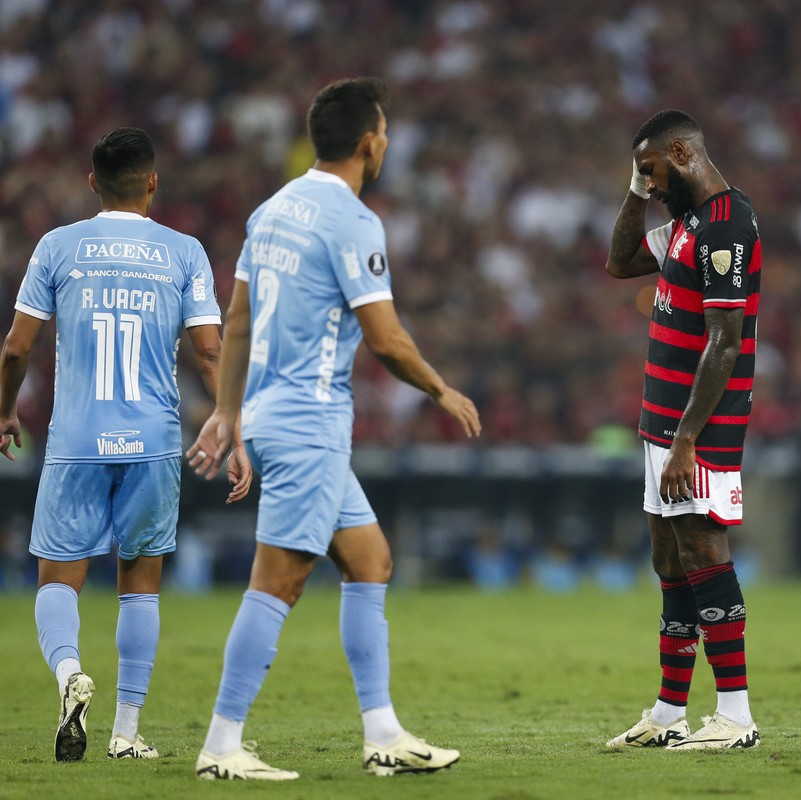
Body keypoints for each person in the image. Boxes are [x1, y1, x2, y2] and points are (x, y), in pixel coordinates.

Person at [186, 77, 481, 781]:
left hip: (273, 416)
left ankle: (383, 734)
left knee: (369, 560)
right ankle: (222, 744)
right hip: (310, 423)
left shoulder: (273, 210)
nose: (386, 144)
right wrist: (439, 386)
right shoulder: (352, 220)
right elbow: (384, 336)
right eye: (385, 133)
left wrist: (228, 413)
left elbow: (239, 323)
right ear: (370, 141)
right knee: (278, 583)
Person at [0, 127, 252, 763]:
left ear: (92, 183)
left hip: (76, 438)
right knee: (141, 584)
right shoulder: (183, 251)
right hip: (152, 441)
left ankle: (69, 677)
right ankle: (125, 732)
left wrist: (3, 411)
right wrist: (229, 423)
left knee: (58, 578)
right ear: (152, 182)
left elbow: (15, 348)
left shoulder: (57, 247)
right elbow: (207, 351)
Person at [603, 109, 761, 750]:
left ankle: (736, 717)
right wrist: (638, 189)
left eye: (653, 170)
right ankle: (669, 717)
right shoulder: (688, 226)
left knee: (702, 551)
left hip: (701, 430)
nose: (649, 184)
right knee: (670, 559)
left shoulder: (727, 227)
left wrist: (687, 440)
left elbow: (724, 342)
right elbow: (618, 262)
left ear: (682, 151)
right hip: (660, 425)